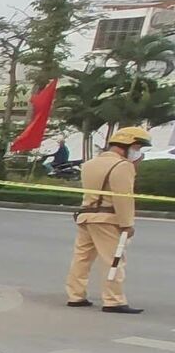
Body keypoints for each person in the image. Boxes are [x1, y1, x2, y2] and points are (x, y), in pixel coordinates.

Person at [66, 126, 147, 315]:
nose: (138, 152)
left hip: (86, 215)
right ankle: (113, 300)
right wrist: (127, 224)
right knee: (114, 259)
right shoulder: (122, 166)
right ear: (128, 145)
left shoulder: (90, 163)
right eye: (138, 147)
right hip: (107, 218)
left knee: (82, 258)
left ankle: (75, 295)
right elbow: (123, 197)